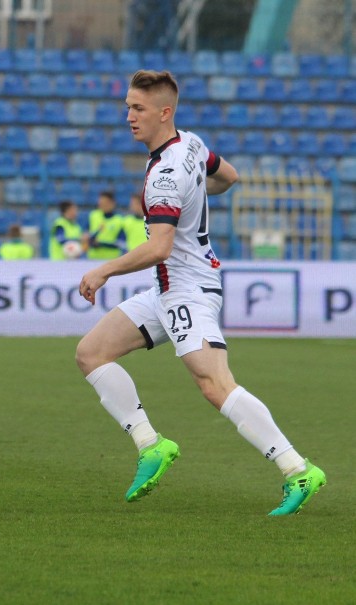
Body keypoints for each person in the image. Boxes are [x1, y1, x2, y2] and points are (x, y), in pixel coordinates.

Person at [75, 69, 326, 516]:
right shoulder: (189, 143)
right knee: (92, 353)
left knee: (215, 384)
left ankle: (297, 469)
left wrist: (105, 270)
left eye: (138, 108)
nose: (129, 116)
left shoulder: (163, 176)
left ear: (164, 112)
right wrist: (198, 194)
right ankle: (151, 445)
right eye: (128, 107)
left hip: (187, 290)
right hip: (170, 287)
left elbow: (160, 247)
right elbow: (229, 176)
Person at [86, 190, 124, 259]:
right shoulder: (94, 215)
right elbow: (88, 234)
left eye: (105, 203)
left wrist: (101, 244)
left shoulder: (119, 220)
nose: (102, 205)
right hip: (93, 259)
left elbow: (121, 243)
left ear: (112, 203)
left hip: (111, 259)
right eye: (100, 202)